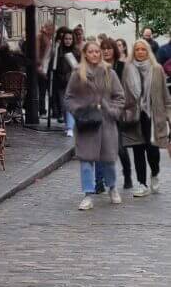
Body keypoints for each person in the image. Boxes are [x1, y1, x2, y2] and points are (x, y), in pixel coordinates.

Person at [65, 39, 125, 210]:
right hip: (87, 123)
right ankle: (88, 194)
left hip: (106, 122)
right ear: (85, 54)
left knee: (108, 160)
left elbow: (119, 96)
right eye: (90, 52)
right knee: (85, 160)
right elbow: (69, 97)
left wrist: (113, 110)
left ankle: (112, 188)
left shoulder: (109, 73)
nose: (94, 54)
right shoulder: (78, 74)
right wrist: (78, 110)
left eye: (97, 51)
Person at [122, 39, 171, 197]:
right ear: (133, 52)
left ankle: (155, 173)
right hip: (135, 117)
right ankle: (141, 183)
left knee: (153, 152)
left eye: (143, 49)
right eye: (137, 49)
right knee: (138, 151)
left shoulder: (157, 69)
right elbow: (123, 95)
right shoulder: (128, 69)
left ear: (148, 51)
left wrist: (169, 116)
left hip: (152, 116)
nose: (140, 52)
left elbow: (165, 96)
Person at [100, 37, 133, 190]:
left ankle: (127, 175)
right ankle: (99, 181)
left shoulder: (122, 66)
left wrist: (119, 108)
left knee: (119, 147)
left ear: (114, 50)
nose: (106, 51)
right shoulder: (98, 67)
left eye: (109, 48)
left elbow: (127, 90)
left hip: (118, 112)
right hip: (102, 112)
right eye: (104, 48)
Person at [54, 28, 79, 137]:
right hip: (61, 82)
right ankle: (68, 124)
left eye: (70, 39)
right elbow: (55, 66)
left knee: (70, 105)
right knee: (63, 105)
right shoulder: (58, 51)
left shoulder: (77, 52)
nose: (68, 41)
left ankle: (70, 127)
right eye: (66, 39)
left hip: (73, 82)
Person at [36, 22, 54, 117]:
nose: (53, 31)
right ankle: (42, 110)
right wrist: (39, 65)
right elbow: (37, 51)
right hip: (42, 67)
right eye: (51, 28)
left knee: (47, 90)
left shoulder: (49, 38)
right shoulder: (41, 37)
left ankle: (47, 110)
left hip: (47, 67)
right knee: (43, 90)